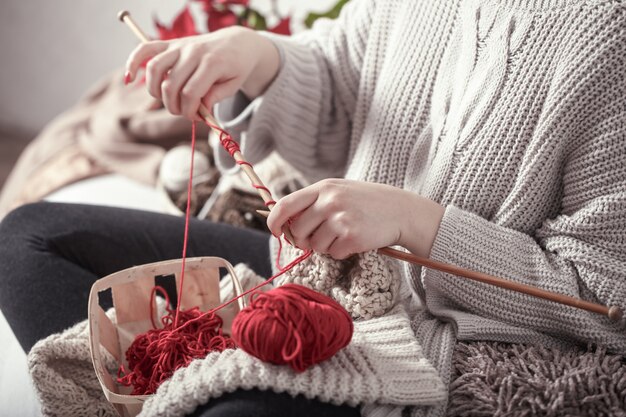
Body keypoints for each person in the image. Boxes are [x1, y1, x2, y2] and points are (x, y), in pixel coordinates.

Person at [1, 0, 626, 415]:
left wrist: (418, 224)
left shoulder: (607, 38)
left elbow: (606, 303)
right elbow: (336, 77)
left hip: (430, 334)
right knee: (27, 238)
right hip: (322, 279)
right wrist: (258, 59)